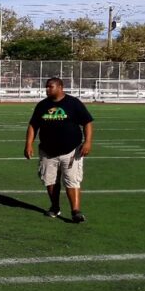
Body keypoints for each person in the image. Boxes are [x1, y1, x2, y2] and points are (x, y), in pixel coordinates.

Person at [25, 77, 94, 223]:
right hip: (47, 151)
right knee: (50, 180)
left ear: (60, 87)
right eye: (46, 87)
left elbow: (87, 122)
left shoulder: (73, 103)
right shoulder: (42, 105)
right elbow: (33, 125)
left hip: (71, 150)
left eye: (51, 87)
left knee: (72, 180)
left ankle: (76, 211)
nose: (47, 89)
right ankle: (55, 207)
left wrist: (87, 142)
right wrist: (28, 144)